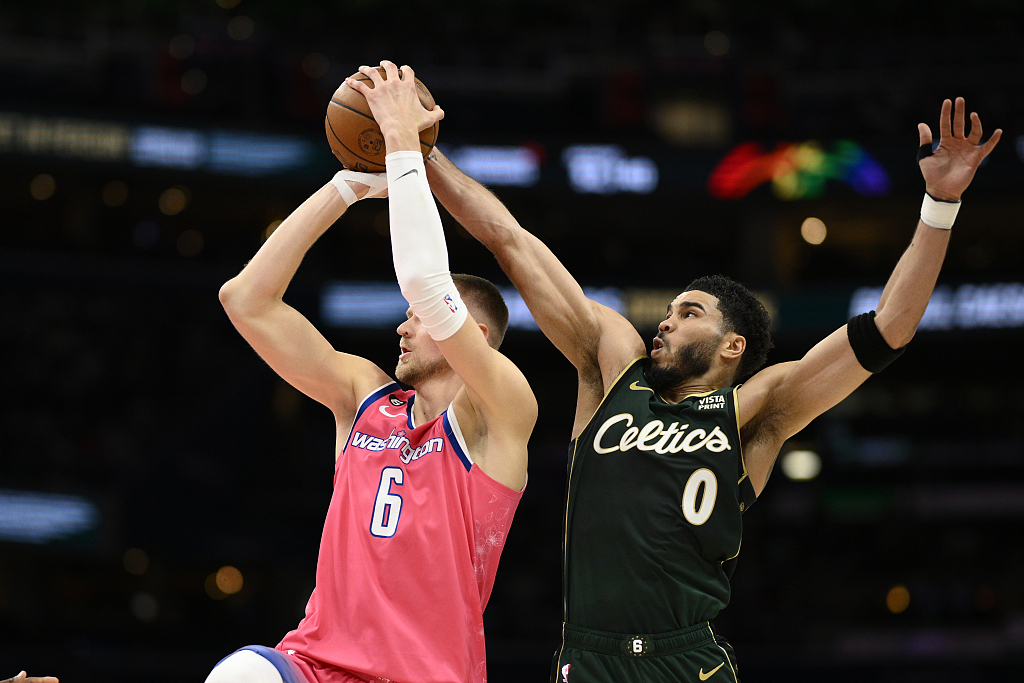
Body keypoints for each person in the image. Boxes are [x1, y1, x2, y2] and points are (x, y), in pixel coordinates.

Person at [424, 97, 1000, 683]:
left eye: (689, 312)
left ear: (733, 345)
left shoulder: (756, 408)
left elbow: (887, 332)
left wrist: (941, 204)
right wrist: (423, 155)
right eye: (668, 311)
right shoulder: (611, 370)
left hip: (687, 660)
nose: (666, 320)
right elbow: (510, 241)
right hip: (589, 659)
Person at [207, 60, 537, 683]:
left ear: (482, 337)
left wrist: (404, 144)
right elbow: (244, 300)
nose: (403, 326)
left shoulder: (502, 410)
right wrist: (347, 187)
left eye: (421, 318)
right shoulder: (364, 397)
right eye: (406, 318)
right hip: (315, 662)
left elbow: (424, 280)